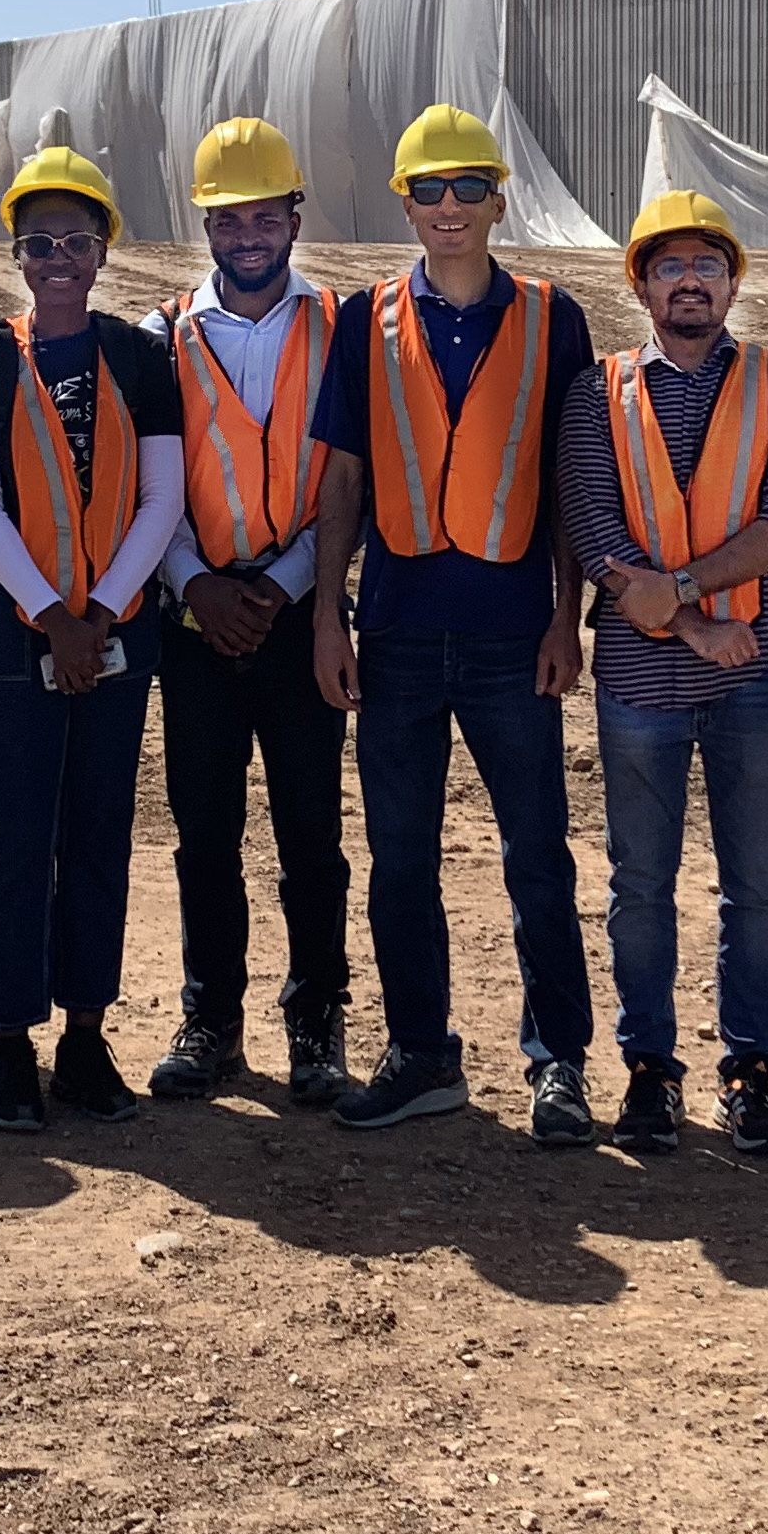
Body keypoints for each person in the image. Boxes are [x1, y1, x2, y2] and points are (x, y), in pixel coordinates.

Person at [308, 104, 602, 1138]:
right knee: (401, 857)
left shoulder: (554, 317)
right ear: (404, 201)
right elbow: (341, 476)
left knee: (538, 855)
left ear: (496, 198)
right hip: (393, 630)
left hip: (510, 634)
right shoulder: (363, 320)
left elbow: (571, 484)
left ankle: (558, 1061)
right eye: (428, 191)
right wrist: (326, 618)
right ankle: (422, 1051)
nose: (447, 208)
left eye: (466, 188)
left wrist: (571, 617)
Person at [562, 193, 768, 1155]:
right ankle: (649, 1072)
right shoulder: (597, 391)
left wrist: (682, 600)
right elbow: (591, 523)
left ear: (732, 280)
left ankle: (749, 1072)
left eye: (706, 265)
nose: (688, 281)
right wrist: (692, 626)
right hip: (639, 682)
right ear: (640, 283)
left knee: (755, 883)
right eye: (668, 266)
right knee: (641, 884)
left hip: (750, 670)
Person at [0, 144, 189, 1129]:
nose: (57, 258)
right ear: (17, 253)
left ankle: (84, 1038)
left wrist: (101, 618)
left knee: (96, 839)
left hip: (114, 639)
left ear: (101, 254)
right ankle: (10, 1042)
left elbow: (162, 496)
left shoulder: (139, 356)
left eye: (75, 242)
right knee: (17, 841)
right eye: (39, 243)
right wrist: (53, 616)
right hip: (13, 643)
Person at [144, 118, 353, 1107]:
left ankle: (316, 1025)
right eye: (229, 221)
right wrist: (195, 583)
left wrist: (284, 587)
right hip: (197, 627)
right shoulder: (164, 339)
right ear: (207, 227)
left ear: (295, 217)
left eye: (265, 216)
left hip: (297, 612)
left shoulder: (341, 329)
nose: (248, 237)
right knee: (205, 833)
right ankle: (211, 1023)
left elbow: (349, 482)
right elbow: (154, 489)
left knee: (311, 834)